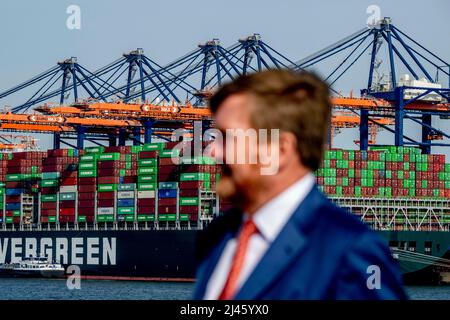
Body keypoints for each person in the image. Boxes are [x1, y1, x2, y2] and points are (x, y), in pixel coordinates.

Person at [193, 69, 407, 300]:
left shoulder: (349, 249)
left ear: (281, 149)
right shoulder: (219, 235)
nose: (213, 151)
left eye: (228, 137)